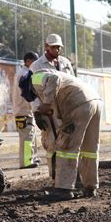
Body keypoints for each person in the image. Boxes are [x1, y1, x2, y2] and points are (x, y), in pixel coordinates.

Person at [31, 71, 102, 201]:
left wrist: (46, 103)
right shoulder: (65, 79)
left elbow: (54, 78)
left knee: (66, 146)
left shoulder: (35, 77)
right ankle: (90, 186)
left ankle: (64, 188)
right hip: (94, 101)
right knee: (89, 148)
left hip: (77, 103)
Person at [30, 33, 75, 179]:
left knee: (68, 141)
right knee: (51, 144)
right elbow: (30, 92)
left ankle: (68, 175)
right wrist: (36, 112)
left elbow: (74, 84)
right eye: (54, 47)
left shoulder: (66, 63)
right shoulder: (36, 66)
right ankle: (54, 176)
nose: (57, 50)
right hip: (47, 110)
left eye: (58, 47)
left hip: (67, 109)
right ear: (46, 46)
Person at [13, 51, 40, 169]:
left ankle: (32, 158)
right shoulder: (23, 74)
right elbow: (27, 93)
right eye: (35, 61)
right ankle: (26, 162)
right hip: (23, 110)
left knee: (31, 135)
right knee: (26, 137)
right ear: (28, 61)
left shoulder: (25, 72)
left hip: (26, 110)